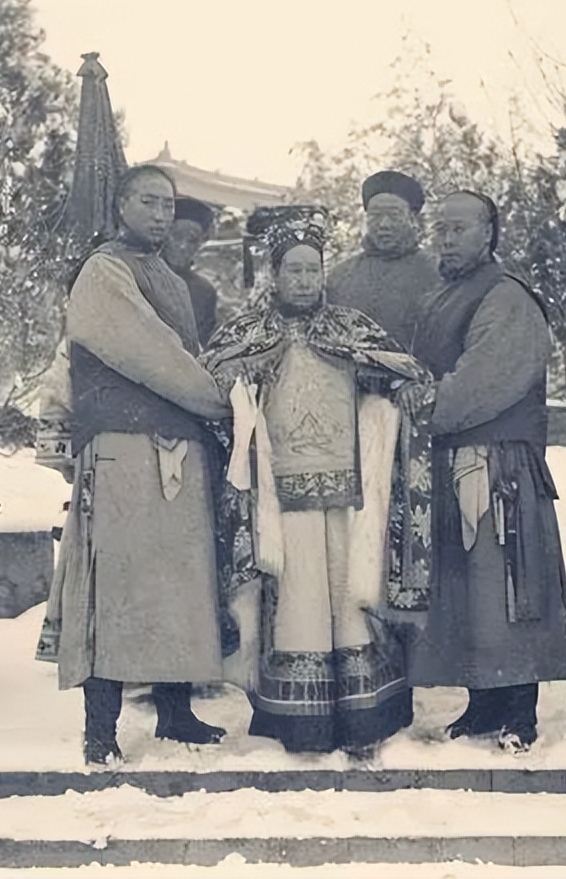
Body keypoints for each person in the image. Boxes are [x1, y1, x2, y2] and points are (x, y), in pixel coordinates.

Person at [201, 207, 434, 757]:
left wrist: (398, 393)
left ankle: (365, 718)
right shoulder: (247, 333)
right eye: (295, 270)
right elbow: (209, 383)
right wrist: (236, 385)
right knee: (297, 605)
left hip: (348, 493)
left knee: (351, 602)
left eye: (313, 270)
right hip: (280, 495)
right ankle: (299, 722)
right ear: (275, 274)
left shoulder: (349, 329)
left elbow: (403, 374)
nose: (305, 281)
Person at [34, 165, 231, 765]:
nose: (162, 214)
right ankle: (101, 731)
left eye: (168, 204)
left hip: (179, 448)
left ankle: (175, 712)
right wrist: (218, 399)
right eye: (149, 202)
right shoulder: (104, 270)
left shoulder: (170, 277)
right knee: (114, 589)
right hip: (123, 448)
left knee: (179, 584)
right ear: (122, 206)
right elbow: (153, 354)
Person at [407, 190, 566, 750]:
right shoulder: (442, 297)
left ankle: (519, 713)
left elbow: (481, 382)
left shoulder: (507, 297)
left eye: (460, 228)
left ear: (489, 233)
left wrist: (421, 404)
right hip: (451, 458)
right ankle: (481, 704)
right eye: (442, 229)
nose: (448, 238)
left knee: (508, 587)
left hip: (499, 464)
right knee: (469, 593)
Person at [326, 171, 442, 350]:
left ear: (412, 219)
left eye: (394, 215)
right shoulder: (340, 276)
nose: (384, 224)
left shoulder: (436, 274)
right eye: (375, 215)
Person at [162, 196, 220, 346]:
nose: (183, 246)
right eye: (177, 236)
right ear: (165, 235)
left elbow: (202, 344)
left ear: (200, 243)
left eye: (192, 240)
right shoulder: (138, 273)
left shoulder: (204, 292)